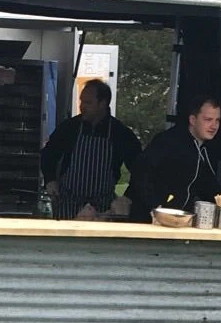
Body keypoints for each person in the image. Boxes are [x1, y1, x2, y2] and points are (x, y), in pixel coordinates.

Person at [39, 80, 143, 221]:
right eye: (81, 101)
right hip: (68, 204)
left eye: (88, 103)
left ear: (103, 103)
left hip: (103, 209)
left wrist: (127, 197)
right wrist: (50, 179)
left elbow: (141, 170)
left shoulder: (120, 133)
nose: (82, 107)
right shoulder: (69, 127)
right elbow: (48, 154)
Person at [129, 95, 221, 219]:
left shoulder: (205, 151)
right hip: (149, 219)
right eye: (208, 119)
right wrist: (156, 207)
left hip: (179, 221)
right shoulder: (168, 141)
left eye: (217, 120)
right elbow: (140, 172)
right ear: (193, 120)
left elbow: (209, 187)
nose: (214, 126)